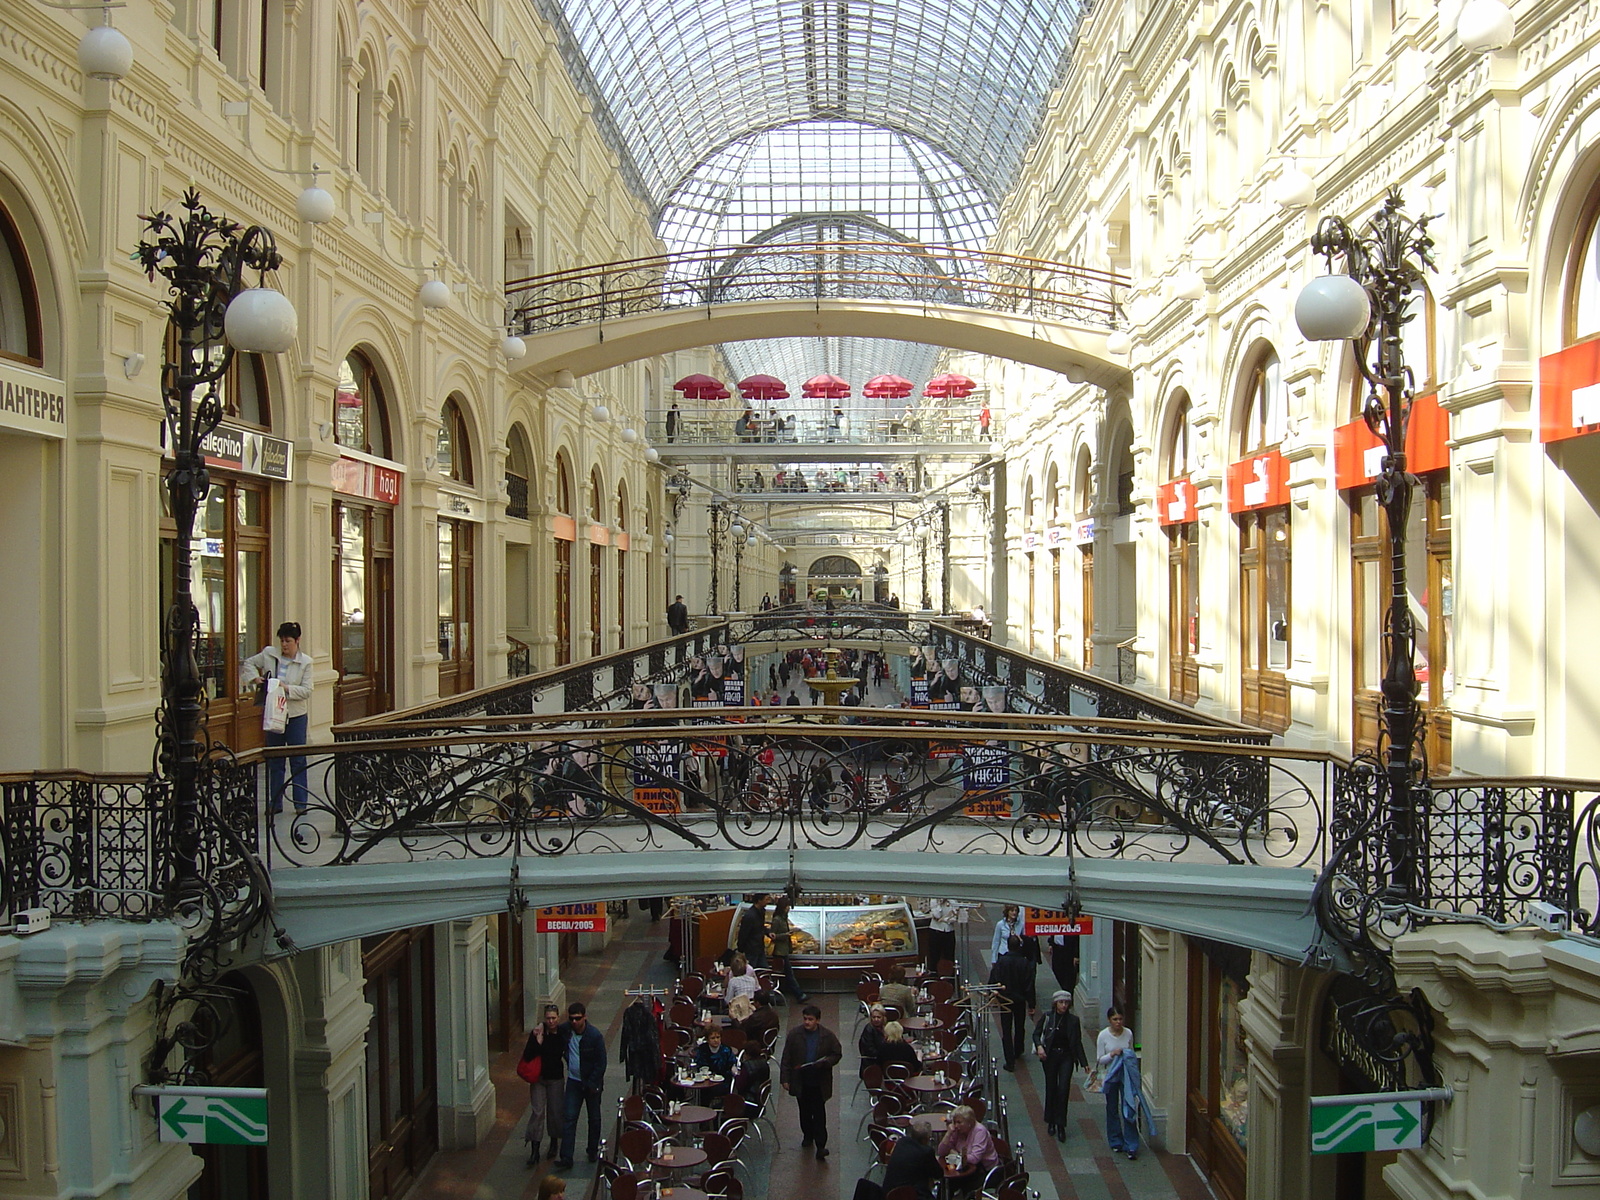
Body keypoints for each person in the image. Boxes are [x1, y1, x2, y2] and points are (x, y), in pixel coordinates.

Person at [241, 621, 314, 813]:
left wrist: (286, 688)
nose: (284, 645)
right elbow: (248, 663)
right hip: (274, 714)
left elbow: (307, 690)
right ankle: (275, 803)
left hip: (296, 716)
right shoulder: (269, 654)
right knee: (275, 759)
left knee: (298, 759)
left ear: (297, 641)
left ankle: (300, 803)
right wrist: (255, 679)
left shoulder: (305, 662)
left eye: (288, 641)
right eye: (282, 640)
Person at [780, 1004, 842, 1160]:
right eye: (805, 1019)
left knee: (819, 1114)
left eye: (810, 1019)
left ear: (818, 1020)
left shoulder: (828, 1036)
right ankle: (807, 1135)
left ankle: (821, 1145)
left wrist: (826, 1062)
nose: (807, 1022)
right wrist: (785, 1079)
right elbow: (786, 1058)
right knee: (804, 1111)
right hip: (801, 1080)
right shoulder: (795, 1035)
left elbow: (837, 1053)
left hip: (819, 1080)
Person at [555, 1002, 606, 1169]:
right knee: (569, 1118)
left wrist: (592, 1083)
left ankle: (592, 1150)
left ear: (585, 1017)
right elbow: (553, 1025)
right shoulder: (566, 1030)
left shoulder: (594, 1036)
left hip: (590, 1084)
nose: (574, 1022)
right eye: (571, 1019)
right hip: (574, 1081)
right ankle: (566, 1157)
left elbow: (601, 1063)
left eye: (578, 1018)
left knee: (594, 1118)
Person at [1033, 990, 1087, 1142]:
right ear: (1055, 1003)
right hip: (1050, 1056)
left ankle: (1061, 1123)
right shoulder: (1048, 1017)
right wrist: (1039, 1046)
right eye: (1061, 1002)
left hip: (1066, 1056)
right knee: (1051, 1087)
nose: (1063, 1005)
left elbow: (1077, 1042)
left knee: (1063, 1089)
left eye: (1066, 1003)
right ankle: (1050, 1121)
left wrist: (1084, 1063)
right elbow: (1036, 1034)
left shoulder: (1073, 1021)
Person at [523, 1003, 569, 1165]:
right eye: (548, 1018)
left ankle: (554, 1142)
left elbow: (562, 1051)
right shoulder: (537, 1033)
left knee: (555, 1111)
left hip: (555, 1078)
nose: (551, 1021)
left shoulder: (563, 1032)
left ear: (558, 1018)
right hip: (539, 1079)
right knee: (537, 1112)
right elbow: (528, 1055)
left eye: (553, 1018)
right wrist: (538, 1042)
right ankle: (534, 1149)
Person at [988, 934, 1036, 1071]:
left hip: (1005, 1000)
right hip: (1019, 1000)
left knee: (1006, 1030)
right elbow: (1029, 984)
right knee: (1020, 1026)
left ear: (1008, 946)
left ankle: (1009, 1061)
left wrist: (993, 994)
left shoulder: (1001, 962)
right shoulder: (1024, 962)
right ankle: (1018, 1049)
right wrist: (1031, 1004)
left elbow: (993, 980)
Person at [1098, 1006, 1139, 1159]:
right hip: (1110, 1074)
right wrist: (1112, 1054)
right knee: (1112, 1108)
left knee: (1128, 1107)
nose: (1118, 1022)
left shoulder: (1128, 1033)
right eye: (1115, 1019)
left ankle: (1131, 1144)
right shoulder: (1103, 1036)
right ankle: (1115, 1141)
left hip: (1126, 1075)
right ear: (1109, 1020)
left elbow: (1132, 1052)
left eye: (1120, 1019)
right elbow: (1100, 1059)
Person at [936, 1105, 998, 1194]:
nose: (956, 1126)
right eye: (954, 1122)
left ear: (969, 1122)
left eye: (959, 1122)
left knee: (966, 1187)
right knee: (945, 1184)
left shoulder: (980, 1131)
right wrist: (948, 1134)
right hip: (962, 1167)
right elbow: (941, 1152)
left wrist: (956, 1154)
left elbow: (975, 1158)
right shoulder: (957, 1130)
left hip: (983, 1170)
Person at [881, 1119, 942, 1199]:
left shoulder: (902, 1142)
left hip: (888, 1193)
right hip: (907, 1195)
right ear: (925, 1139)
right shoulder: (926, 1152)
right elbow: (938, 1174)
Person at [767, 898, 809, 1000]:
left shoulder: (783, 918)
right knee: (788, 974)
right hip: (779, 952)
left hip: (784, 950)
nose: (789, 908)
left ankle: (793, 994)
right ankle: (799, 995)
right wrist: (786, 934)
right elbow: (773, 935)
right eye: (787, 906)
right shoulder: (777, 919)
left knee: (786, 974)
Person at [692, 1027, 737, 1097]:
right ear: (707, 1039)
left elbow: (731, 1064)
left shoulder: (726, 1050)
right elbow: (700, 1065)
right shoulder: (702, 1049)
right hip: (706, 1081)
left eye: (718, 1037)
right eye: (712, 1038)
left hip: (723, 1081)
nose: (716, 1040)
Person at [926, 899, 959, 971]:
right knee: (934, 957)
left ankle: (949, 978)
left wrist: (945, 920)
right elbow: (937, 915)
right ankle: (933, 976)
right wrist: (940, 904)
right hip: (936, 931)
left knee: (949, 957)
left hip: (949, 931)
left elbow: (954, 917)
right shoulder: (934, 900)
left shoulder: (952, 900)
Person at [737, 895, 769, 967]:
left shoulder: (761, 912)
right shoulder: (750, 916)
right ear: (759, 900)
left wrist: (768, 933)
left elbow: (761, 926)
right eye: (766, 899)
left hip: (759, 948)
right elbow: (743, 934)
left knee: (763, 970)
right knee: (752, 970)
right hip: (751, 950)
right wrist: (741, 949)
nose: (768, 902)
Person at [857, 1003, 889, 1075]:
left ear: (883, 1017)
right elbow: (870, 1051)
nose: (876, 1019)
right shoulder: (869, 1030)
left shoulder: (887, 1027)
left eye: (878, 1017)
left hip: (883, 1061)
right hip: (872, 1064)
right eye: (874, 1017)